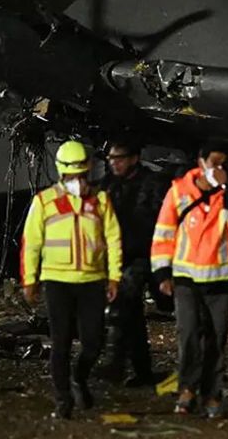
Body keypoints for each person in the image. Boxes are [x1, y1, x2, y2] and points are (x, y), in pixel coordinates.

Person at [151, 144, 228, 418]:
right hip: (186, 279)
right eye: (215, 163)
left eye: (224, 164)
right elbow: (164, 233)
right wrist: (162, 273)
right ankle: (187, 389)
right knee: (187, 336)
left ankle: (212, 395)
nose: (219, 169)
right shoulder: (179, 191)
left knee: (215, 341)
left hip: (220, 279)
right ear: (201, 162)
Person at [21, 140, 122, 419]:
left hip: (92, 280)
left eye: (81, 173)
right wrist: (30, 280)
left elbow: (113, 240)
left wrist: (114, 277)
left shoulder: (100, 202)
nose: (77, 179)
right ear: (61, 172)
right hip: (57, 281)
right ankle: (63, 399)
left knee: (93, 342)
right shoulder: (44, 202)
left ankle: (79, 377)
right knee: (61, 343)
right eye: (72, 174)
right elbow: (31, 243)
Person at [96, 140, 169, 387]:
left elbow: (162, 223)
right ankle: (140, 370)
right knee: (130, 314)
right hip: (119, 256)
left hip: (147, 255)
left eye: (119, 158)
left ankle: (115, 363)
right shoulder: (108, 185)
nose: (114, 163)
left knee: (123, 304)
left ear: (134, 158)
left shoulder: (152, 185)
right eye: (111, 159)